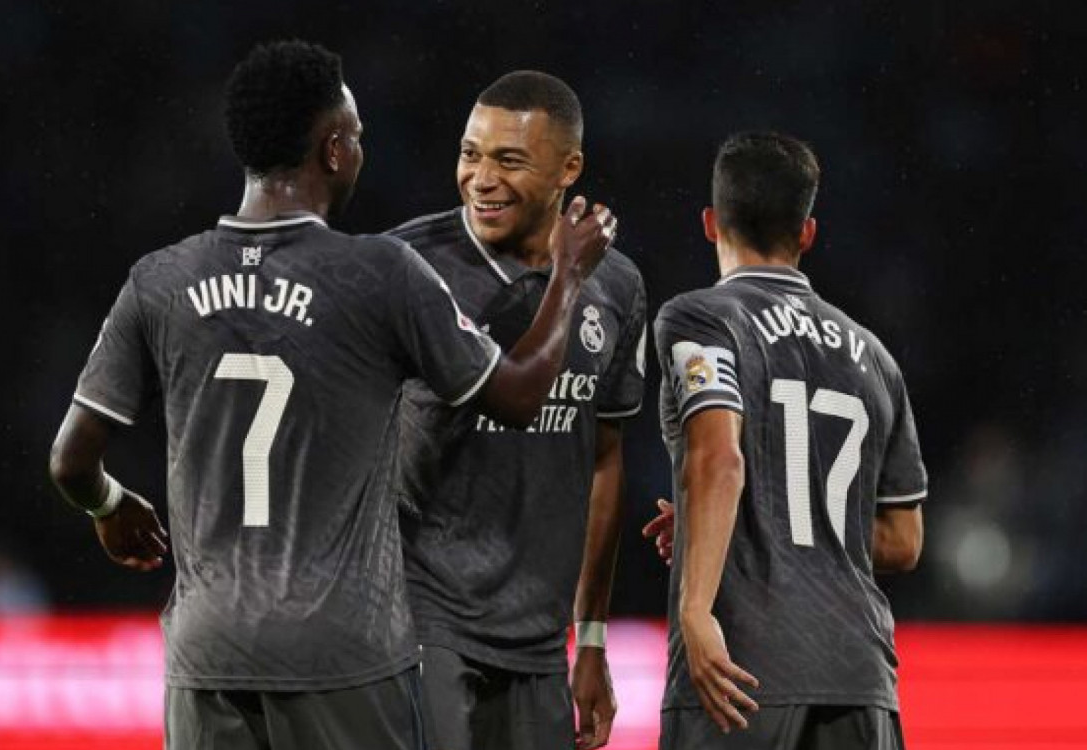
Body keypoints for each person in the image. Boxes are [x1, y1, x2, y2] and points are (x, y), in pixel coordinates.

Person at [48, 41, 617, 750]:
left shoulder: (160, 280)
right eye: (357, 135)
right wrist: (566, 278)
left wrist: (109, 505)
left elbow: (70, 462)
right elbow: (517, 396)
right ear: (336, 151)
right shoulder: (378, 274)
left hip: (206, 653)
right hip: (342, 651)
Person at [388, 71, 647, 750]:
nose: (480, 179)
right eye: (471, 153)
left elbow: (605, 457)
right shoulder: (406, 264)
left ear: (570, 168)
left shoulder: (617, 285)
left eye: (508, 160)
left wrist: (589, 636)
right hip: (421, 618)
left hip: (538, 637)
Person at [647, 131, 925, 749]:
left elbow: (718, 456)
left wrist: (695, 609)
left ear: (711, 223)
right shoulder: (874, 357)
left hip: (743, 671)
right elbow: (903, 541)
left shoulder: (702, 318)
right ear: (807, 234)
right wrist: (737, 522)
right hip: (861, 677)